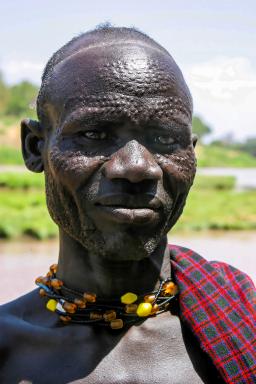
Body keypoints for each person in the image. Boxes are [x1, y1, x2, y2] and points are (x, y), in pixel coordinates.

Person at [0, 26, 255, 384]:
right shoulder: (7, 348)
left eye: (165, 138)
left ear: (191, 153)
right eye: (94, 134)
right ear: (34, 147)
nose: (138, 167)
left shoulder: (241, 321)